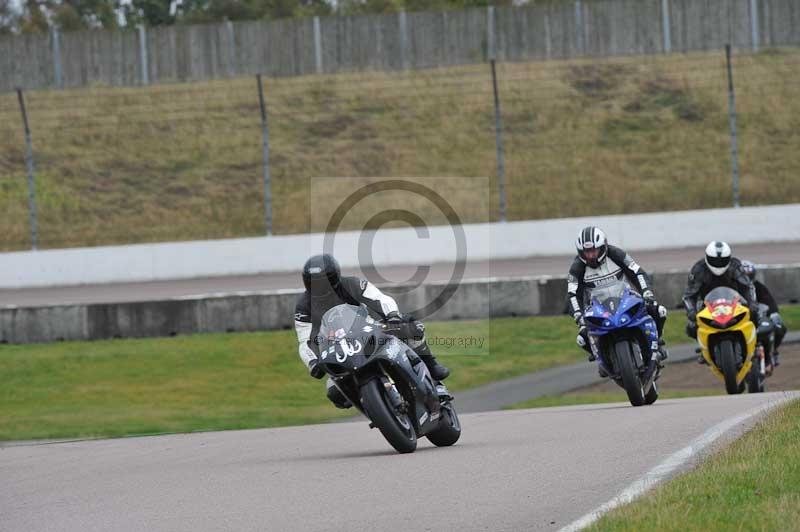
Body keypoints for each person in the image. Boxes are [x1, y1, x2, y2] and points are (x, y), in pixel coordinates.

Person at [294, 254, 450, 409]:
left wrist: (392, 315)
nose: (321, 287)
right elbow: (305, 340)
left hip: (367, 330)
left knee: (411, 326)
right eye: (314, 283)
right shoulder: (304, 306)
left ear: (335, 277)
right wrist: (313, 363)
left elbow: (379, 298)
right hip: (336, 347)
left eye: (325, 281)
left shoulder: (351, 284)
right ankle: (374, 407)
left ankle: (432, 368)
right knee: (335, 393)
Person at [567, 226, 668, 363]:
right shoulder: (577, 268)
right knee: (582, 339)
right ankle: (602, 358)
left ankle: (658, 343)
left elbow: (637, 272)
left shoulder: (616, 254)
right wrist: (578, 315)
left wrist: (647, 293)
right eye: (586, 252)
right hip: (597, 308)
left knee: (659, 311)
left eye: (594, 251)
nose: (591, 255)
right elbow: (572, 294)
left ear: (602, 247)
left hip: (626, 298)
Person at [682, 241, 760, 345]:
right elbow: (689, 296)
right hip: (708, 306)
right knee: (691, 327)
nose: (718, 263)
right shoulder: (698, 269)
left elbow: (748, 287)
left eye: (722, 260)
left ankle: (754, 343)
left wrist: (752, 303)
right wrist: (691, 311)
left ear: (728, 258)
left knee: (755, 315)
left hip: (735, 303)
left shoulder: (735, 265)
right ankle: (703, 347)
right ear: (707, 257)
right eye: (715, 260)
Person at [742, 260, 788, 366]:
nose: (746, 280)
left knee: (780, 328)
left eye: (749, 276)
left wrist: (774, 314)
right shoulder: (733, 289)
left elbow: (769, 301)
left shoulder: (759, 287)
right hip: (740, 319)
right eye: (743, 277)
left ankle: (773, 351)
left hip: (759, 317)